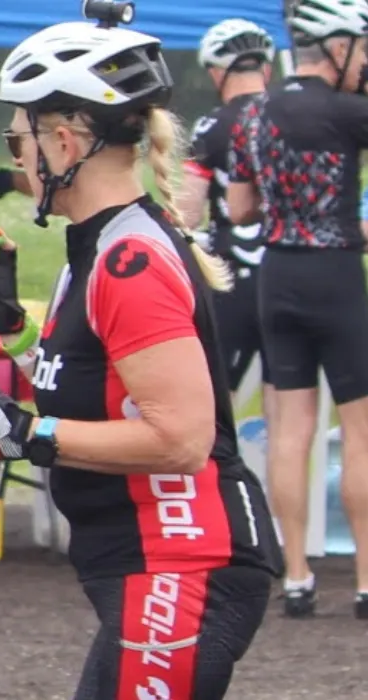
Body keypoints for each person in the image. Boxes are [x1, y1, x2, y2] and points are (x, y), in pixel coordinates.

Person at [0, 10, 280, 698]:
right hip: (153, 562)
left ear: (62, 143)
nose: (16, 159)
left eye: (17, 140)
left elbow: (179, 440)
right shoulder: (96, 249)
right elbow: (92, 387)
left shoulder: (128, 262)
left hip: (180, 562)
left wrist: (25, 435)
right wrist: (10, 327)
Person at [223, 0, 368, 619]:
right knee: (361, 433)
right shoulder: (352, 113)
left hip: (276, 278)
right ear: (336, 50)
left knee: (290, 432)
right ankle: (365, 582)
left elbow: (237, 210)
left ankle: (299, 577)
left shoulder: (254, 115)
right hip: (335, 274)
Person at [180, 19, 273, 390]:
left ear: (218, 71)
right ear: (266, 67)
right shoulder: (289, 117)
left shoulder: (212, 126)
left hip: (230, 273)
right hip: (287, 271)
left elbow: (187, 212)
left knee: (218, 396)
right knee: (285, 400)